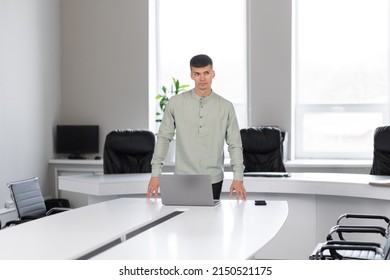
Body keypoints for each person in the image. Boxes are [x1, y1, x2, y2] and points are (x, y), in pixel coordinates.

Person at [147, 54, 246, 200]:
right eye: (197, 74)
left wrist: (238, 177)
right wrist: (156, 174)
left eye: (206, 73)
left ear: (213, 74)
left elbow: (235, 144)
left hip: (213, 179)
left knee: (210, 222)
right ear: (191, 75)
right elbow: (163, 138)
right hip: (183, 177)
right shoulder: (175, 103)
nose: (202, 78)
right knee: (182, 221)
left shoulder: (226, 107)